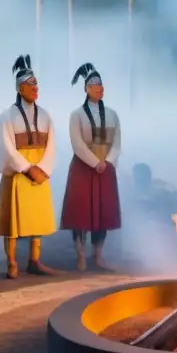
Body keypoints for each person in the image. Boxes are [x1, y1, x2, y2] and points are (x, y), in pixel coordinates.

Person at [0, 55, 58, 278]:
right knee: (13, 221)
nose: (35, 88)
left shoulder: (46, 115)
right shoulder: (7, 116)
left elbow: (51, 145)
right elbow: (7, 146)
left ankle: (34, 260)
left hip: (40, 172)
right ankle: (11, 261)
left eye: (36, 84)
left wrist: (43, 169)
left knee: (36, 219)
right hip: (20, 173)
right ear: (20, 88)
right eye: (31, 84)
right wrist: (27, 168)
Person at [60, 63, 122, 271]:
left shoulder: (112, 114)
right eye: (95, 85)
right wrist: (95, 163)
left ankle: (98, 254)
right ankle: (80, 255)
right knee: (81, 213)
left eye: (101, 85)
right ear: (86, 88)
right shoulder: (76, 115)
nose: (100, 88)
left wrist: (108, 162)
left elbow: (117, 143)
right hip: (83, 168)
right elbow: (77, 143)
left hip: (106, 168)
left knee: (103, 213)